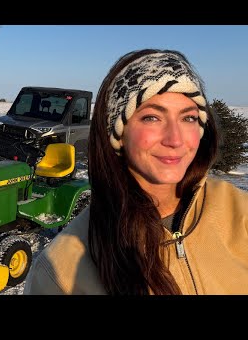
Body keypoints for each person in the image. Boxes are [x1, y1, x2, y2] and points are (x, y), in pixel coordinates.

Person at [23, 49, 248, 295]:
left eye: (189, 118)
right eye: (152, 117)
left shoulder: (238, 210)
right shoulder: (59, 273)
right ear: (118, 133)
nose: (175, 139)